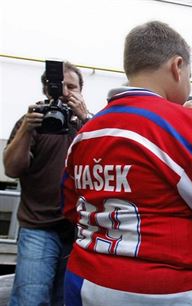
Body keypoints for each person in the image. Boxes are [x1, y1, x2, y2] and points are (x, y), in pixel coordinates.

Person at [62, 21, 192, 305]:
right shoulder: (182, 125)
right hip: (161, 288)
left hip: (83, 281)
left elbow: (72, 207)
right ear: (177, 66)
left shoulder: (86, 132)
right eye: (190, 76)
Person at [3, 61, 92, 306]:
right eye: (58, 87)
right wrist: (26, 131)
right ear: (46, 89)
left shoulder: (90, 126)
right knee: (30, 300)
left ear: (81, 91)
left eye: (72, 87)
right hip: (39, 227)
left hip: (80, 230)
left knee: (68, 300)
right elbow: (12, 169)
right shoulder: (31, 122)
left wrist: (86, 119)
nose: (64, 93)